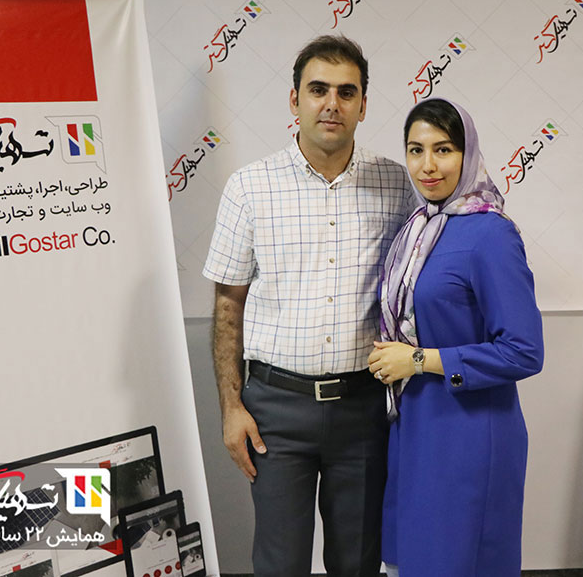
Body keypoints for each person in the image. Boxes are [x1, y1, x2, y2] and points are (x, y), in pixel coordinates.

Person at [203, 35, 414, 577]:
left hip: (362, 409)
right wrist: (231, 408)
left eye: (347, 92)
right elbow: (227, 305)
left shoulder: (397, 183)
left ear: (363, 105)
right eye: (318, 90)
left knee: (357, 563)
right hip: (275, 411)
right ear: (295, 100)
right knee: (280, 565)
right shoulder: (250, 187)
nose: (332, 104)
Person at [369, 97, 544, 577]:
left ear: (468, 155)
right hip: (416, 427)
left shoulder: (491, 234)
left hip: (468, 435)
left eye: (443, 149)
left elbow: (524, 351)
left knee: (457, 563)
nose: (427, 165)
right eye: (416, 150)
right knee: (416, 562)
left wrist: (418, 360)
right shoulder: (416, 229)